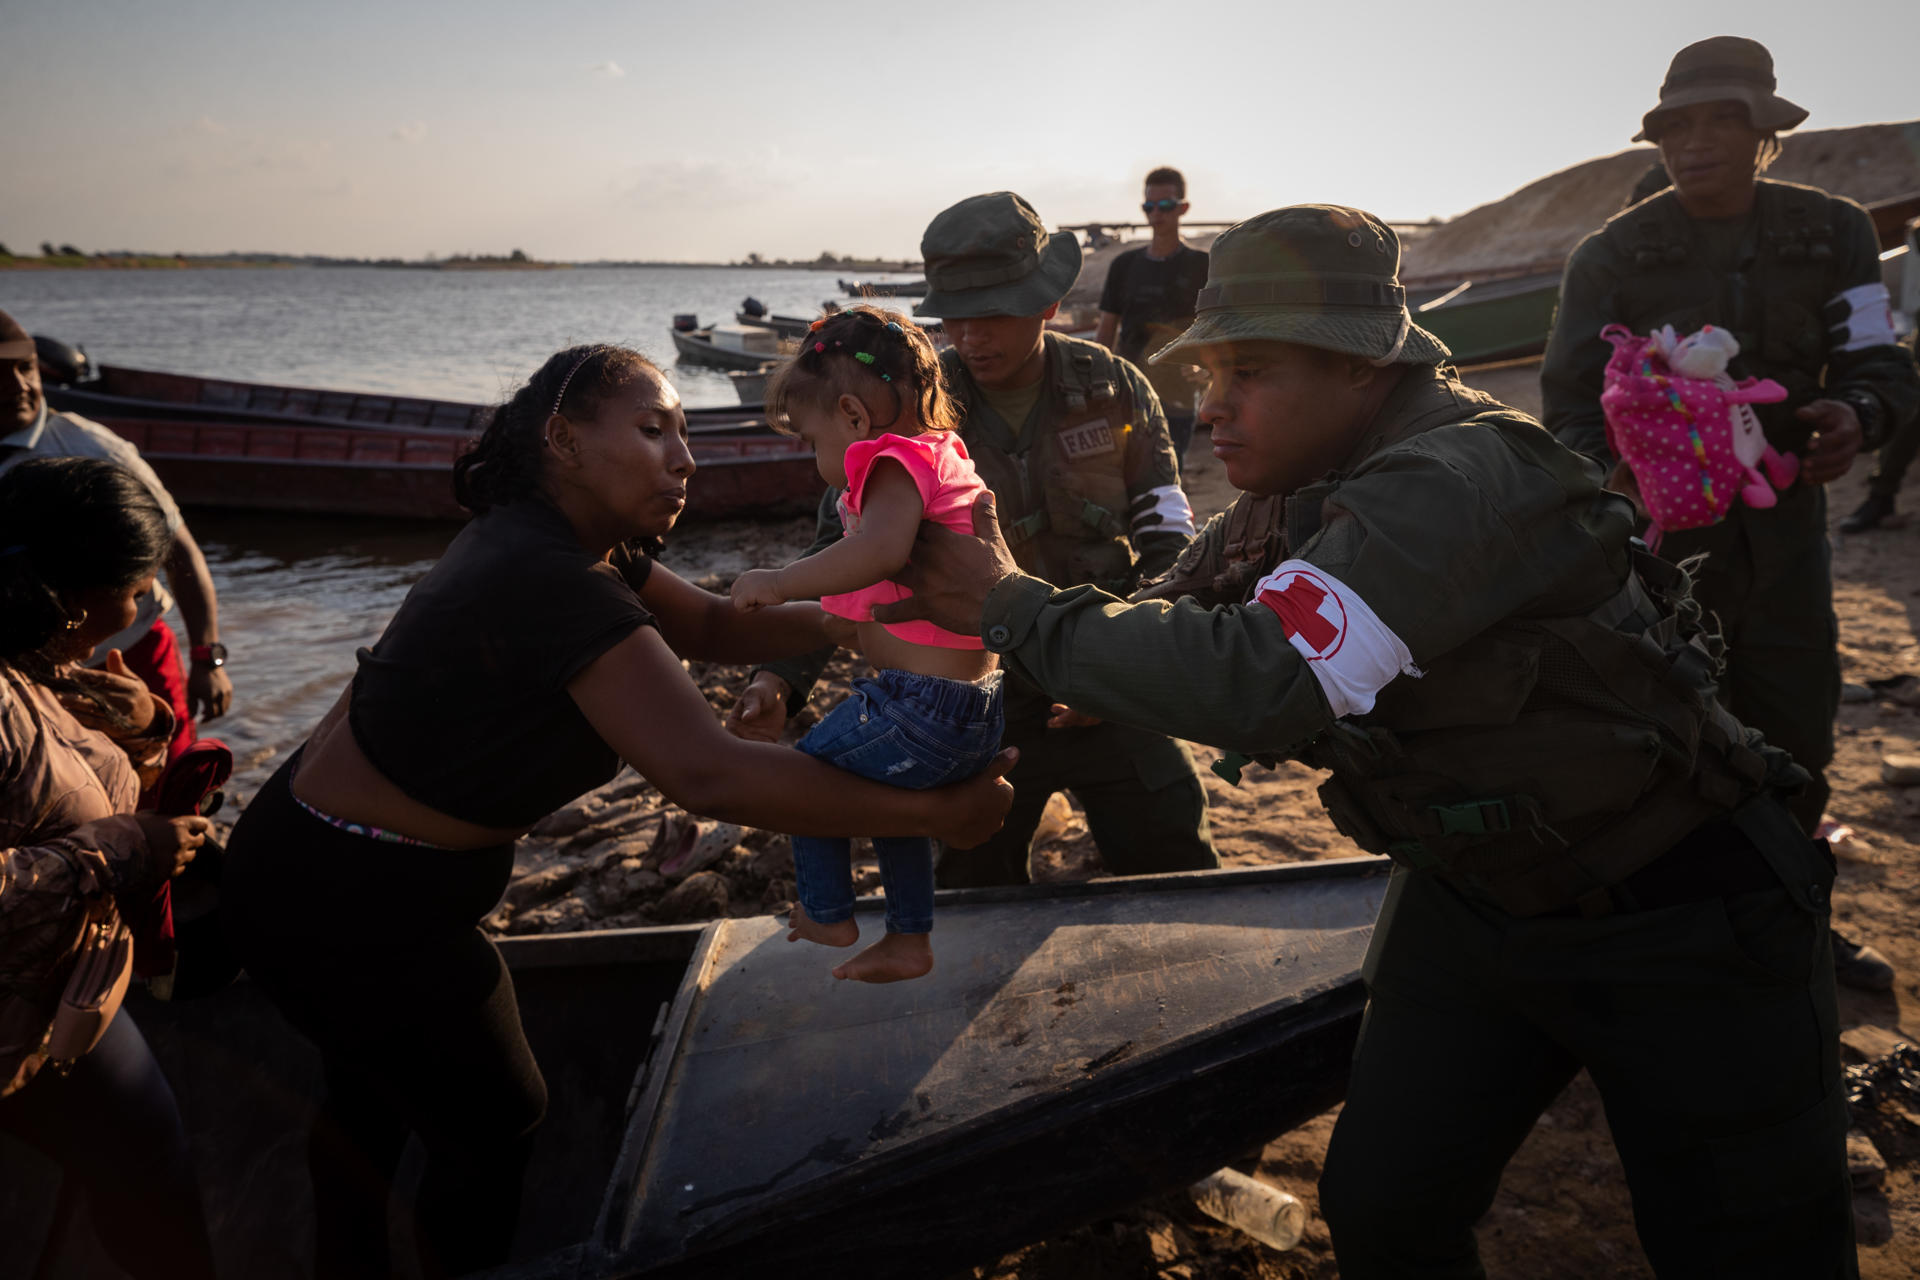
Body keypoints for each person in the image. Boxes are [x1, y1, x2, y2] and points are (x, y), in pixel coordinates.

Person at [870, 204, 1857, 1277]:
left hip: (1678, 909)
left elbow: (1267, 678)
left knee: (1746, 1244)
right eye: (1206, 376)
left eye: (1250, 373)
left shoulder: (1462, 478)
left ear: (1359, 368)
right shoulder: (1300, 483)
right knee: (1385, 1204)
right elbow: (1190, 589)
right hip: (1474, 900)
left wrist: (1017, 608)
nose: (1215, 410)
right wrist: (1100, 666)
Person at [216, 343, 1013, 1279]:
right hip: (345, 893)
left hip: (336, 872)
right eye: (651, 429)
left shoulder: (570, 545)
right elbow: (708, 775)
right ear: (562, 437)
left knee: (374, 1097)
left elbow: (716, 626)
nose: (683, 456)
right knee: (496, 1118)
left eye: (684, 431)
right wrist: (940, 812)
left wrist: (875, 626)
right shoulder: (550, 579)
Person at [1539, 36, 1919, 991]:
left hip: (1787, 534)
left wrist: (1857, 416)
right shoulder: (1612, 254)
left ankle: (1789, 919)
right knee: (1665, 734)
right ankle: (1672, 933)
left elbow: (1878, 362)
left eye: (1723, 119)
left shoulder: (1833, 232)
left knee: (1795, 730)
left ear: (1767, 134)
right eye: (1677, 124)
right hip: (1662, 549)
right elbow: (1569, 403)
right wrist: (1619, 483)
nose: (1696, 139)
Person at [730, 191, 1216, 890]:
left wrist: (1124, 665)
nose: (971, 336)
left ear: (1048, 303)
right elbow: (839, 555)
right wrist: (780, 676)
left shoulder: (1113, 388)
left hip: (1112, 694)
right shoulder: (909, 401)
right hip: (975, 709)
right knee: (971, 895)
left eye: (992, 315)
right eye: (955, 316)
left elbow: (1170, 538)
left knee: (1178, 870)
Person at [732, 308, 1005, 983]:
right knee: (889, 812)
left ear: (853, 417)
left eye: (811, 439)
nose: (816, 457)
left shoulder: (889, 462)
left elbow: (879, 554)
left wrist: (780, 580)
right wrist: (847, 629)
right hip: (970, 706)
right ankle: (910, 938)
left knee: (804, 785)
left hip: (920, 707)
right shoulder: (943, 452)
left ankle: (827, 912)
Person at [0, 457, 217, 1280]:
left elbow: (50, 789)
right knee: (153, 1174)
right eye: (136, 585)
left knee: (147, 1161)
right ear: (70, 594)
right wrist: (129, 848)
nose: (146, 607)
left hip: (50, 987)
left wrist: (139, 726)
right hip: (24, 1001)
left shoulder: (37, 663)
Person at [1, 309, 234, 766]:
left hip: (129, 653)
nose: (19, 385)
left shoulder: (90, 450)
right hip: (30, 666)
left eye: (25, 367)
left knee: (167, 774)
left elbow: (179, 549)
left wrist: (208, 658)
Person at [1095, 166, 1212, 468]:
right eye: (1150, 206)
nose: (1156, 214)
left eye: (1166, 205)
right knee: (1123, 477)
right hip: (1128, 393)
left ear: (1182, 208)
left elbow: (1215, 327)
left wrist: (1207, 370)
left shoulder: (1202, 265)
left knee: (1168, 478)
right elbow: (1106, 331)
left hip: (1178, 394)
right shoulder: (1124, 265)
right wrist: (1096, 383)